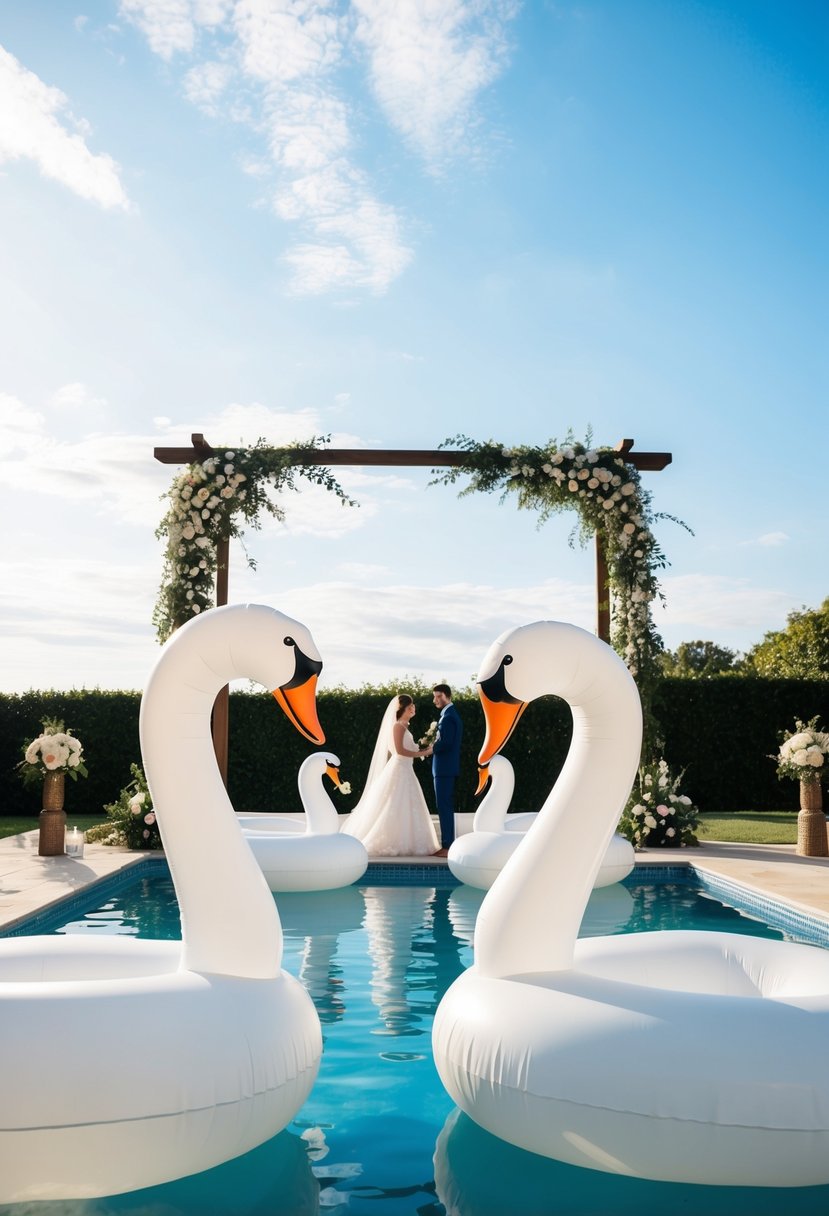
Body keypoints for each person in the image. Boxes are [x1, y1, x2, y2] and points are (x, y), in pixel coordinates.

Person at [341, 694, 439, 856]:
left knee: (406, 805)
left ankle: (409, 842)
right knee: (393, 805)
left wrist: (422, 748)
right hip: (399, 769)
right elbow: (400, 751)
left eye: (413, 706)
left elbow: (409, 748)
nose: (413, 708)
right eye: (410, 706)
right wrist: (426, 752)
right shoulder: (398, 727)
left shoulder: (404, 727)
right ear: (402, 709)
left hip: (406, 770)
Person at [431, 684, 463, 857]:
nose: (435, 700)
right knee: (445, 806)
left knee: (444, 806)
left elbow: (447, 743)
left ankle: (447, 846)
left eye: (437, 696)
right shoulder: (448, 714)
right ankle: (448, 844)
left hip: (444, 769)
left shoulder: (449, 716)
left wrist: (431, 748)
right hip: (445, 768)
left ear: (446, 695)